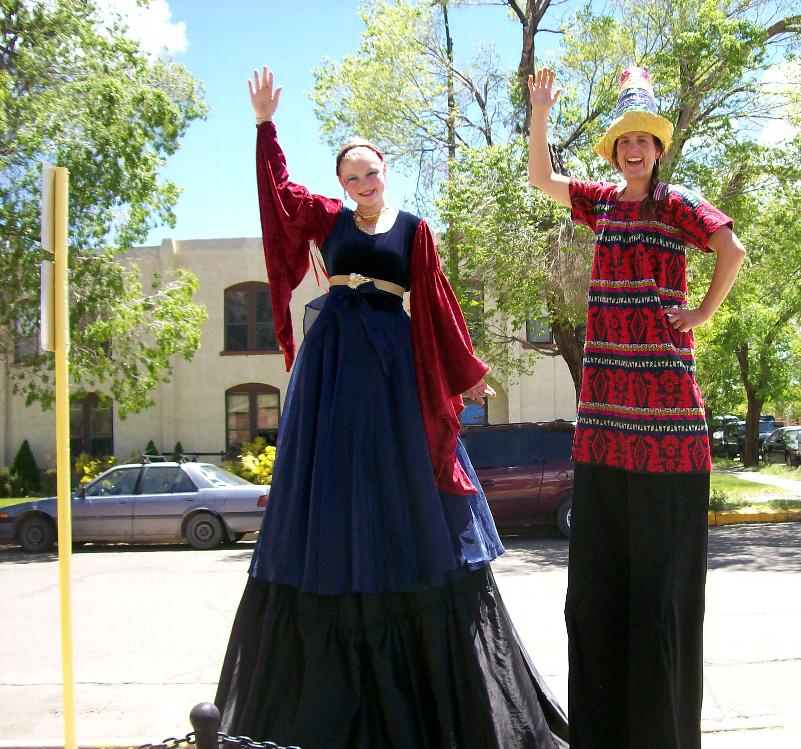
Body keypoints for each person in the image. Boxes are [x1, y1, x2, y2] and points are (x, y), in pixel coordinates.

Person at [213, 66, 568, 749]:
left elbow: (436, 303)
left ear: (386, 170)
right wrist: (265, 127)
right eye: (352, 176)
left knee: (402, 487)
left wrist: (466, 375)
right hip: (332, 371)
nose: (364, 183)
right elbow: (277, 198)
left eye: (371, 172)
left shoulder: (414, 230)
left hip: (391, 368)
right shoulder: (327, 220)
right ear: (342, 182)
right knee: (335, 488)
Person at [527, 66, 747, 748]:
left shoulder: (677, 205)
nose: (634, 150)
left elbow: (731, 248)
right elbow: (542, 178)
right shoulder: (601, 203)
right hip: (603, 422)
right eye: (625, 140)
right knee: (601, 593)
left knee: (661, 598)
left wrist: (702, 312)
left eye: (644, 140)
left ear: (657, 148)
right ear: (617, 148)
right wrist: (539, 113)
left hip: (668, 421)